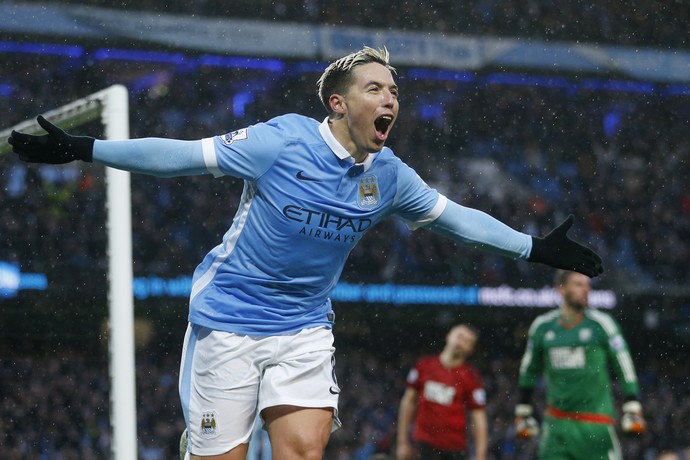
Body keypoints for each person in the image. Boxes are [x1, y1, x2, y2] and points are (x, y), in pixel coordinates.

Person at [8, 46, 603, 460]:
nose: (389, 99)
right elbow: (182, 155)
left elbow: (455, 220)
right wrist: (89, 148)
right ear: (339, 105)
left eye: (394, 91)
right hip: (228, 320)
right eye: (374, 88)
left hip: (304, 330)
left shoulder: (388, 176)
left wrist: (534, 247)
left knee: (306, 449)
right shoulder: (280, 141)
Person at [514, 269, 645, 460]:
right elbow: (529, 369)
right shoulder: (542, 327)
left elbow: (624, 364)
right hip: (556, 427)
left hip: (596, 424)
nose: (586, 290)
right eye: (578, 284)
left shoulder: (602, 323)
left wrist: (632, 405)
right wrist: (523, 410)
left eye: (587, 285)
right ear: (561, 289)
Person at [396, 324, 488, 460]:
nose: (461, 342)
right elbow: (408, 402)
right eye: (460, 336)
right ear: (448, 336)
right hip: (424, 444)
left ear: (471, 349)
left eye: (467, 341)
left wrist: (481, 456)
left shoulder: (471, 378)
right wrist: (402, 442)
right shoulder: (424, 366)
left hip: (455, 448)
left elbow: (478, 417)